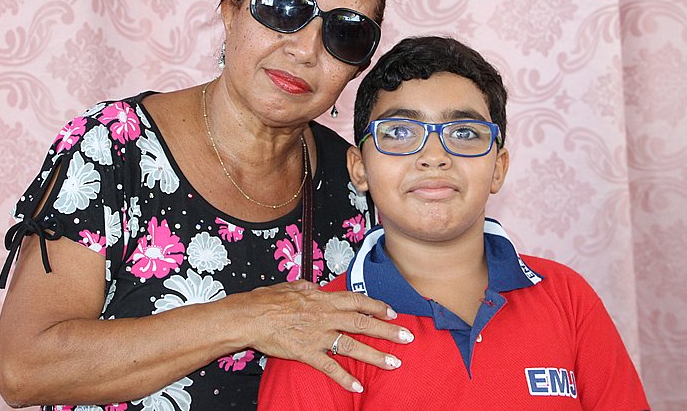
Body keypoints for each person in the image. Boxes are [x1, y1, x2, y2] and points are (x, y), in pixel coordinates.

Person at [0, 0, 416, 411]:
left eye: (346, 33)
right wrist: (249, 318)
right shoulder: (114, 147)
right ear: (231, 11)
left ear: (358, 67)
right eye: (283, 8)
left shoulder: (357, 180)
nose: (305, 49)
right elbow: (24, 369)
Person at [258, 36, 651, 409]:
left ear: (498, 168)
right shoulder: (321, 329)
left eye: (464, 132)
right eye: (399, 131)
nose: (434, 156)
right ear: (360, 168)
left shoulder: (567, 298)